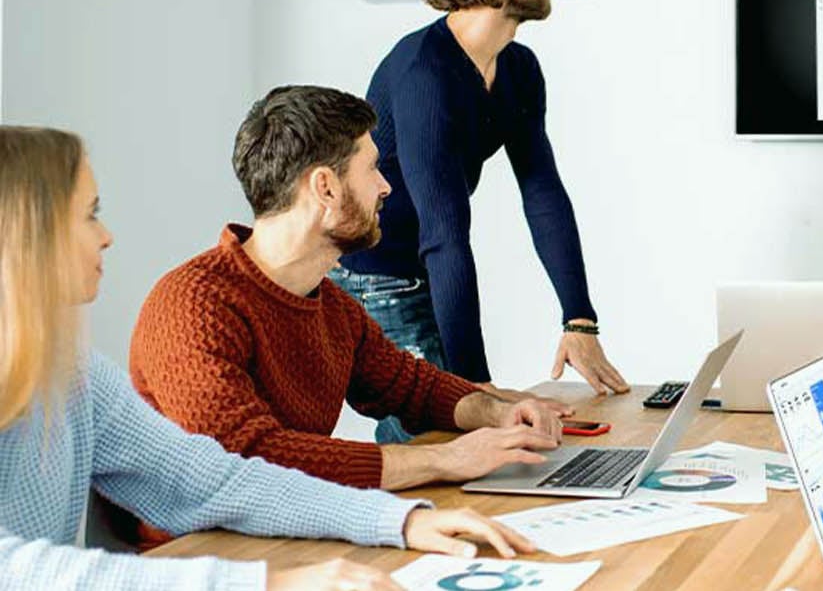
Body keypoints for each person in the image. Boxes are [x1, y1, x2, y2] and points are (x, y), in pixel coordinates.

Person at [0, 125, 535, 590]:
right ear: (26, 231)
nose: (108, 235)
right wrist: (267, 583)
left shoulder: (70, 370)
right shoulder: (192, 302)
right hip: (215, 558)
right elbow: (16, 571)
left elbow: (210, 478)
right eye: (90, 214)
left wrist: (399, 522)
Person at [129, 86, 562, 523]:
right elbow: (246, 458)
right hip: (204, 554)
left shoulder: (333, 307)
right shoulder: (192, 304)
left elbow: (413, 387)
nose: (385, 186)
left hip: (289, 532)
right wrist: (443, 459)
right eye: (372, 168)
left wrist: (499, 412)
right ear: (326, 187)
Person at [334, 0, 628, 444]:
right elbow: (444, 236)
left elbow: (542, 192)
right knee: (443, 435)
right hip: (377, 274)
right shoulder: (426, 73)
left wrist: (579, 319)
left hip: (427, 260)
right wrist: (477, 388)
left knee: (470, 427)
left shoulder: (518, 69)